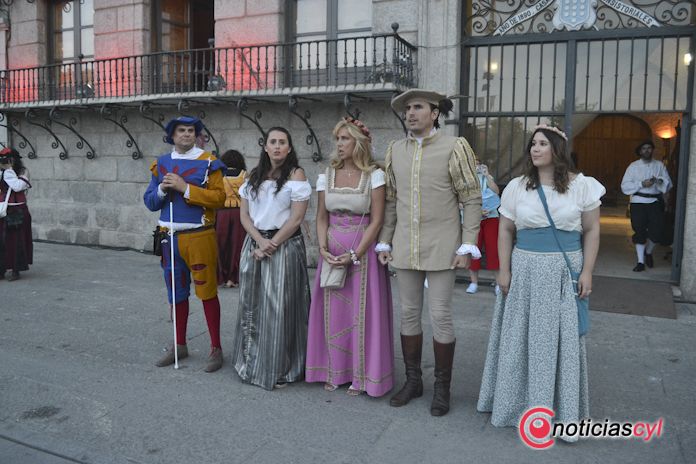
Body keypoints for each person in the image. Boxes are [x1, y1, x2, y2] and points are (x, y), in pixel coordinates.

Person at [477, 125, 605, 440]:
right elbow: (505, 230)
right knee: (518, 338)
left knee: (557, 342)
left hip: (563, 273)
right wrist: (503, 270)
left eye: (543, 144)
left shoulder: (582, 186)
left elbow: (591, 231)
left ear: (557, 149)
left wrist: (587, 271)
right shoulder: (518, 187)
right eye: (533, 144)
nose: (535, 149)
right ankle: (512, 406)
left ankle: (557, 411)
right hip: (524, 270)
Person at [377, 88, 482, 416]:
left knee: (440, 315)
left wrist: (468, 243)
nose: (410, 113)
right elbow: (392, 201)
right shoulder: (395, 150)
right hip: (406, 245)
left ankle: (442, 388)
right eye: (407, 108)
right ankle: (413, 381)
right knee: (408, 313)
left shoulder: (455, 146)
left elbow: (471, 198)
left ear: (435, 113)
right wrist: (386, 240)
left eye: (418, 107)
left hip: (443, 246)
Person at [305, 117, 394, 397]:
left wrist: (356, 253)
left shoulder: (374, 176)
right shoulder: (325, 175)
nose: (339, 144)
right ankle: (333, 371)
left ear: (359, 142)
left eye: (345, 138)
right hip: (330, 253)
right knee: (334, 314)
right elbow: (321, 217)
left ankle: (362, 375)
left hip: (362, 255)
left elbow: (377, 221)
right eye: (338, 139)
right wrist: (322, 249)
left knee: (362, 314)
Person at [144, 116, 227, 373]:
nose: (187, 135)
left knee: (207, 292)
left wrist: (185, 188)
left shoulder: (210, 162)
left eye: (191, 131)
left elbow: (219, 198)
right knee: (176, 294)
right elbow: (149, 201)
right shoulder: (162, 163)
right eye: (181, 131)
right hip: (169, 237)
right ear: (172, 135)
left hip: (199, 235)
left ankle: (216, 347)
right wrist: (161, 190)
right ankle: (179, 344)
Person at [232, 127, 311, 390]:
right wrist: (259, 240)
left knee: (280, 309)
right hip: (255, 243)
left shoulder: (295, 174)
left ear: (289, 148)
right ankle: (252, 364)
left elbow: (296, 218)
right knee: (251, 305)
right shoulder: (253, 176)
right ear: (265, 147)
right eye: (272, 142)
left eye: (282, 142)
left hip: (284, 245)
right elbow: (244, 216)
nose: (277, 146)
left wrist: (271, 244)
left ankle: (280, 367)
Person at [620, 140, 673, 272]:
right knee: (640, 231)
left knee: (657, 231)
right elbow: (624, 186)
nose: (647, 151)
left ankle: (648, 252)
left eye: (649, 148)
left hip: (655, 202)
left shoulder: (659, 165)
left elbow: (668, 184)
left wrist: (660, 181)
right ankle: (640, 261)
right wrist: (641, 184)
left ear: (652, 150)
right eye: (644, 148)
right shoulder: (633, 166)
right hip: (638, 202)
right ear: (640, 151)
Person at [466, 162, 501, 295]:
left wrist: (487, 176)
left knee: (494, 250)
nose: (476, 167)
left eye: (477, 164)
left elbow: (497, 191)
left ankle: (498, 283)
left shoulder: (487, 177)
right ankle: (473, 282)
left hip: (491, 218)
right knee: (474, 250)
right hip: (473, 218)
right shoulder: (465, 180)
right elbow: (461, 201)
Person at [215, 149, 247, 288]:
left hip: (221, 213)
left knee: (220, 245)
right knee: (237, 246)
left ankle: (220, 276)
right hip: (239, 213)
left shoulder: (219, 175)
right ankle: (233, 279)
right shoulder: (244, 175)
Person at [0, 147, 32, 281]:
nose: (6, 161)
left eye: (9, 159)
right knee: (1, 241)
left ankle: (15, 270)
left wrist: (8, 171)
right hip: (3, 210)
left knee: (17, 241)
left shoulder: (23, 171)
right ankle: (1, 270)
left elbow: (18, 186)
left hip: (18, 210)